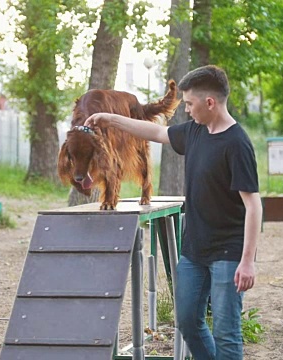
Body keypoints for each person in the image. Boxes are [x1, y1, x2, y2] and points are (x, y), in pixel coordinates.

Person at [84, 65, 262, 360]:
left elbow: (253, 204)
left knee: (227, 335)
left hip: (228, 254)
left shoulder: (237, 144)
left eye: (190, 104)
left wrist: (247, 262)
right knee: (188, 323)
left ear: (210, 103)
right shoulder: (194, 131)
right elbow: (156, 131)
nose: (187, 110)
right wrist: (111, 119)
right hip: (194, 251)